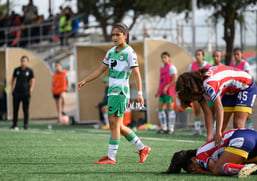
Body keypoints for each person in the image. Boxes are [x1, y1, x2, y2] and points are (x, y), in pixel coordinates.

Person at [77, 23, 151, 164]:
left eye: (118, 34)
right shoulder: (111, 52)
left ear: (125, 36)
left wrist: (140, 93)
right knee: (117, 125)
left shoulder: (129, 52)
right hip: (112, 92)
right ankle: (142, 148)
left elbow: (136, 74)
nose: (115, 37)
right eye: (113, 35)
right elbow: (100, 70)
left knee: (115, 125)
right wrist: (85, 80)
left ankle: (111, 158)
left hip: (121, 92)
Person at [176, 66, 257, 146]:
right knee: (220, 129)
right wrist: (210, 135)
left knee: (237, 124)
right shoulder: (197, 88)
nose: (193, 99)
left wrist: (218, 132)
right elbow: (208, 113)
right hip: (230, 90)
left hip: (245, 85)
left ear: (191, 89)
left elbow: (219, 108)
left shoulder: (209, 84)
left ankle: (244, 152)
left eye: (190, 97)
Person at [163, 128, 257, 177]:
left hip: (240, 139)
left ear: (193, 159)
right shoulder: (205, 149)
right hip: (251, 135)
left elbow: (215, 170)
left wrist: (201, 171)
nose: (193, 171)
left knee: (218, 168)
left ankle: (247, 168)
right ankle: (251, 166)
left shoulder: (199, 156)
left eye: (191, 169)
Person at [188, 49, 212, 136]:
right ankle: (197, 130)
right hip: (196, 92)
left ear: (203, 56)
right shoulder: (192, 66)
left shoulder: (208, 66)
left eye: (199, 54)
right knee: (197, 111)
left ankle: (210, 130)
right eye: (196, 54)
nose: (197, 56)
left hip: (206, 92)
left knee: (208, 112)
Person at [230, 47, 253, 130]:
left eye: (238, 54)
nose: (236, 56)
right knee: (238, 110)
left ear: (241, 55)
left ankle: (250, 128)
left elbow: (247, 77)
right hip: (236, 90)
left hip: (245, 90)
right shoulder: (232, 64)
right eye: (235, 54)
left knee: (246, 110)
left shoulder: (245, 64)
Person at [155, 51, 177, 134]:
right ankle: (164, 128)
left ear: (169, 58)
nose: (164, 59)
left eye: (165, 57)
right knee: (160, 109)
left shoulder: (171, 67)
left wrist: (167, 87)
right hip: (162, 92)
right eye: (162, 57)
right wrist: (158, 90)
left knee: (170, 109)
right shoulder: (162, 67)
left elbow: (175, 79)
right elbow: (161, 80)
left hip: (169, 91)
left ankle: (171, 129)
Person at [10, 56, 35, 130]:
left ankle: (25, 124)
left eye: (25, 61)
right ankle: (14, 124)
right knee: (15, 109)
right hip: (17, 92)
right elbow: (13, 79)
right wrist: (12, 88)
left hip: (26, 93)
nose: (23, 62)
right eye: (22, 61)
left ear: (27, 62)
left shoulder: (29, 71)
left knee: (25, 109)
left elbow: (33, 80)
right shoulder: (17, 70)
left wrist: (31, 90)